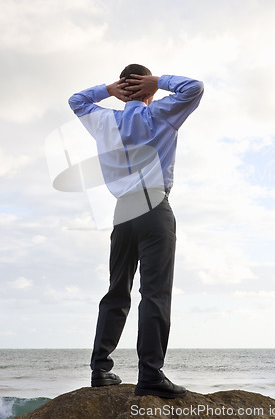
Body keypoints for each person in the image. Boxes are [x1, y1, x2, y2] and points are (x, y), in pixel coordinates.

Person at [68, 64, 204, 398]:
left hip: (122, 213)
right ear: (149, 89)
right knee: (155, 293)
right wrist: (159, 81)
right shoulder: (160, 112)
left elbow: (77, 100)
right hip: (154, 208)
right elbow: (194, 88)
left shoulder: (104, 120)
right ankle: (151, 375)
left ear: (123, 87)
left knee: (117, 290)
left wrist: (107, 90)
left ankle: (101, 369)